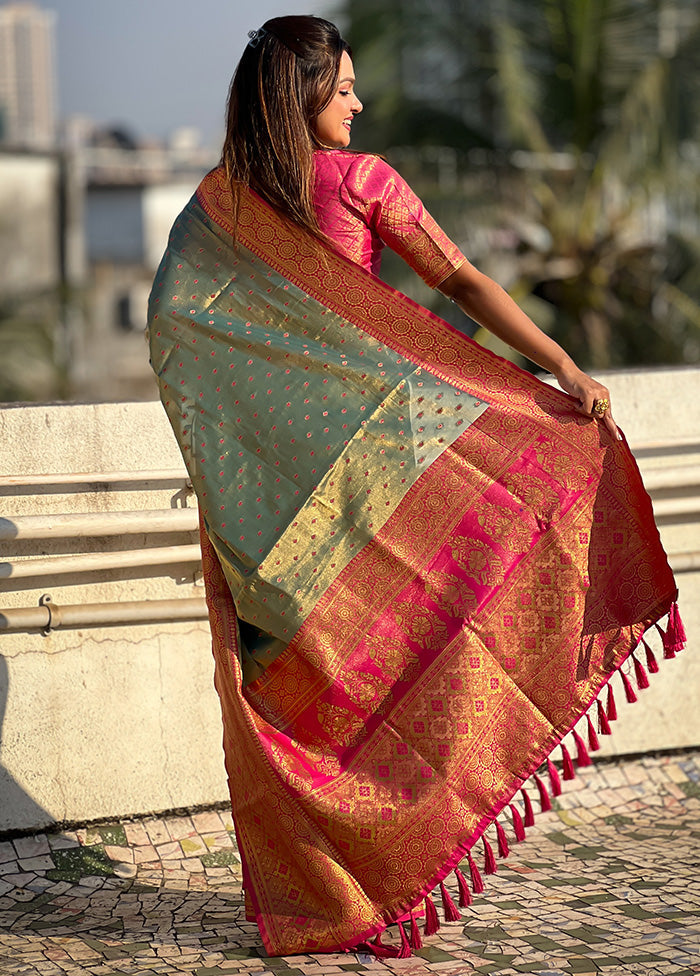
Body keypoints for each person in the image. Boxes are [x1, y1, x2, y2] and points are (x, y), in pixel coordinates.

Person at [147, 15, 684, 959]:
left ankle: (335, 889)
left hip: (281, 497)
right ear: (304, 95)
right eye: (344, 87)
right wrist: (560, 366)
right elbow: (464, 282)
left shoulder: (227, 210)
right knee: (419, 653)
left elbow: (176, 324)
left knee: (311, 690)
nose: (359, 101)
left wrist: (233, 455)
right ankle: (387, 869)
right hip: (381, 465)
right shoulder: (361, 180)